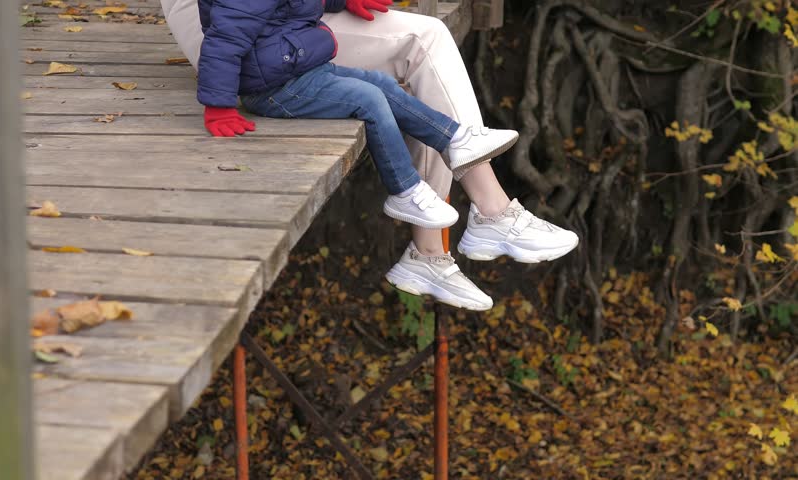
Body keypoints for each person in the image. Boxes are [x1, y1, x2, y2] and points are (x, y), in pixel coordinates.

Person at [160, 0, 579, 311]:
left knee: (425, 39)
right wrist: (217, 101)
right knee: (400, 64)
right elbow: (230, 30)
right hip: (248, 40)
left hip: (289, 23)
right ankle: (478, 220)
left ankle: (443, 244)